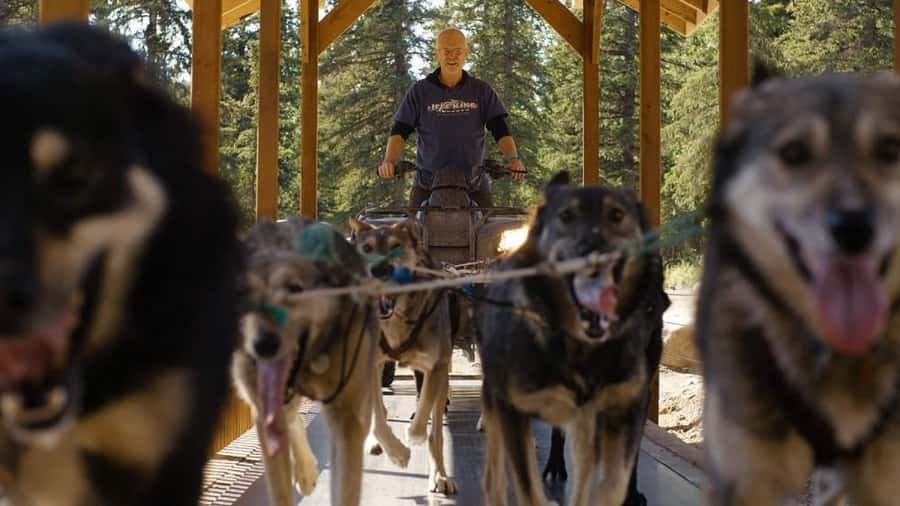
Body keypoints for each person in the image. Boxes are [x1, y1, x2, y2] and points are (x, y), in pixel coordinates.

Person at [377, 27, 525, 208]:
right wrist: (388, 161)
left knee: (489, 233)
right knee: (414, 233)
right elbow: (400, 130)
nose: (452, 57)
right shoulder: (420, 91)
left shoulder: (481, 91)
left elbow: (499, 128)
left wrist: (513, 158)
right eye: (446, 51)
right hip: (427, 184)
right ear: (437, 54)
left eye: (457, 51)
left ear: (466, 54)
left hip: (474, 183)